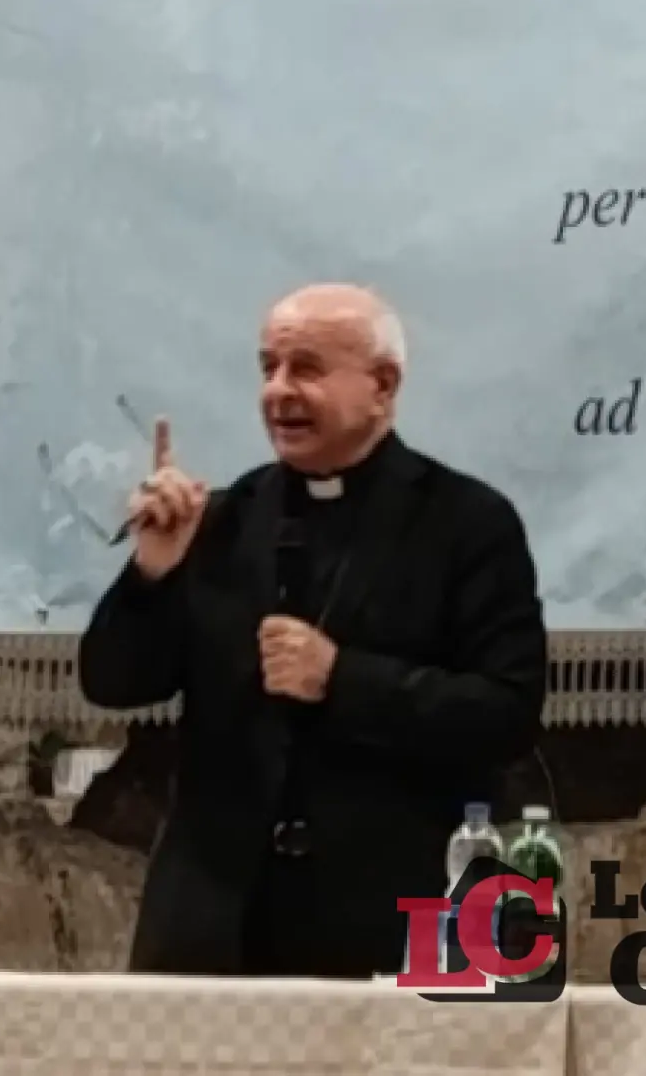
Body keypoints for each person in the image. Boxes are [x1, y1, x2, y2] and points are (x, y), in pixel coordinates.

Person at [78, 283, 548, 978]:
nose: (278, 391)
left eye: (306, 368)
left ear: (383, 386)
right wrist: (152, 573)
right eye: (267, 368)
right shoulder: (224, 519)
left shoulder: (465, 523)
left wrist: (343, 679)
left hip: (386, 921)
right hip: (210, 929)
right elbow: (112, 682)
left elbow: (507, 714)